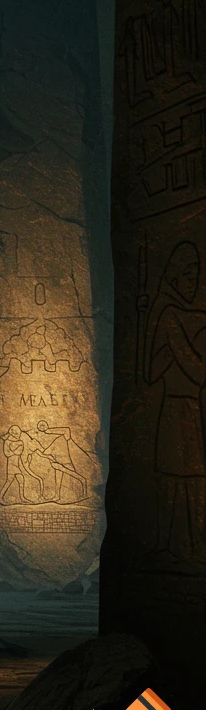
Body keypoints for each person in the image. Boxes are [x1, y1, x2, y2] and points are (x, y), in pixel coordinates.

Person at [143, 241, 206, 562]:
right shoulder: (169, 316)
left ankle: (194, 543)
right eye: (187, 275)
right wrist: (170, 339)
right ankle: (170, 544)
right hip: (175, 406)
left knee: (192, 478)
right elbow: (154, 372)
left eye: (197, 275)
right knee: (171, 477)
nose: (193, 282)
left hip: (190, 407)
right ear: (174, 277)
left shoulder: (179, 317)